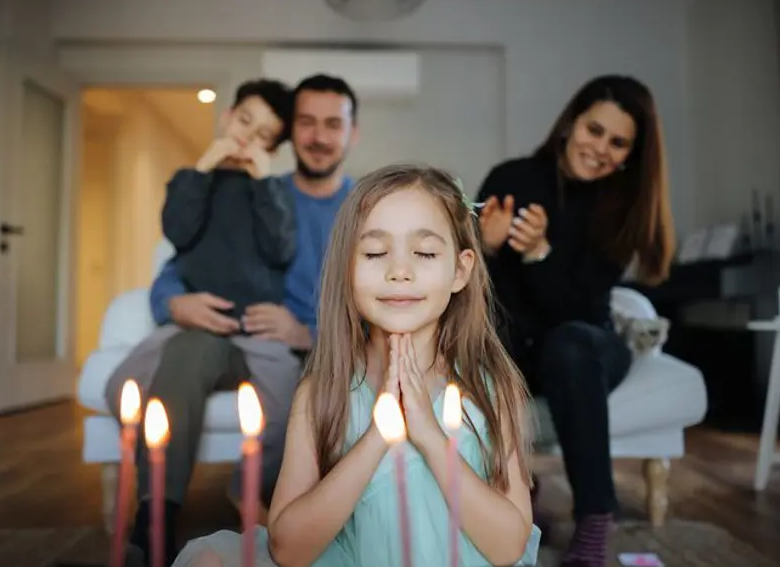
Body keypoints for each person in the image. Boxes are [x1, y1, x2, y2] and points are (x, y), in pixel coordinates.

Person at [170, 164, 542, 567]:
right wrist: (378, 435)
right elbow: (289, 550)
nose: (399, 271)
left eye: (425, 253)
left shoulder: (492, 389)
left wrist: (430, 435)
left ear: (460, 270)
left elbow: (509, 548)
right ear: (348, 269)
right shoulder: (321, 393)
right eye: (375, 253)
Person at [104, 74, 359, 567]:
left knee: (294, 393)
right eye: (307, 122)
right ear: (293, 134)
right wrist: (177, 303)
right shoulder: (243, 189)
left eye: (333, 123)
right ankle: (154, 517)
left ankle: (254, 493)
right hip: (221, 334)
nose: (319, 136)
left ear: (353, 132)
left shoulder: (361, 208)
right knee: (187, 347)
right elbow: (179, 264)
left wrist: (307, 333)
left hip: (301, 349)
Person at [475, 75, 675, 567]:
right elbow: (481, 291)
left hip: (589, 345)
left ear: (631, 153)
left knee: (568, 343)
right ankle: (516, 487)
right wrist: (490, 249)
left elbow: (581, 312)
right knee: (485, 337)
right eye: (594, 130)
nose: (601, 148)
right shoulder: (511, 177)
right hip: (521, 341)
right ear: (570, 124)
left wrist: (542, 254)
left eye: (618, 142)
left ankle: (594, 517)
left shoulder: (624, 207)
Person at [162, 79, 296, 323]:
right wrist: (202, 170)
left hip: (252, 322)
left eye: (263, 135)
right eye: (244, 121)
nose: (247, 136)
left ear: (272, 151)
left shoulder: (277, 191)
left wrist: (263, 183)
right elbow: (177, 233)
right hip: (198, 315)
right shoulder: (188, 179)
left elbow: (280, 251)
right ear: (226, 117)